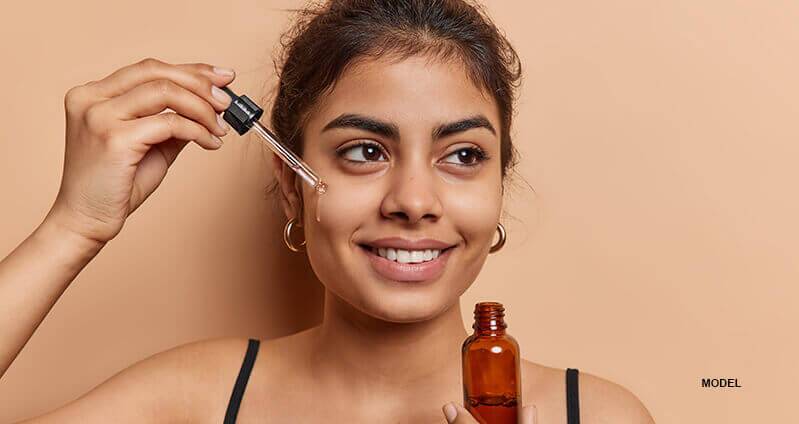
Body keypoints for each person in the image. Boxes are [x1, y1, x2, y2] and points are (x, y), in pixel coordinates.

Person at [0, 0, 655, 422]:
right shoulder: (192, 401)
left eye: (462, 155)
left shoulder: (595, 415)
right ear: (292, 186)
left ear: (497, 187)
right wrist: (72, 228)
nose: (413, 202)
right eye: (365, 151)